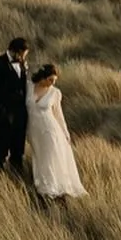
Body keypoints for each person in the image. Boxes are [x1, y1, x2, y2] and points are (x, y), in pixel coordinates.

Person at [26, 63, 86, 201]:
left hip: (50, 131)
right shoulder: (28, 87)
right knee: (39, 158)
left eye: (54, 80)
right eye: (50, 80)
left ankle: (50, 189)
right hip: (34, 132)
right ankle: (42, 186)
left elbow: (59, 115)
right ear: (42, 77)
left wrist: (66, 133)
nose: (52, 83)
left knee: (49, 159)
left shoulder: (55, 92)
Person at [0, 37, 30, 176]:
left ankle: (17, 175)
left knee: (18, 147)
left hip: (20, 113)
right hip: (5, 113)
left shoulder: (22, 64)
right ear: (15, 51)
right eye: (23, 53)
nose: (23, 57)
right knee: (2, 147)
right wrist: (0, 109)